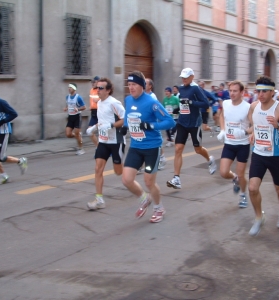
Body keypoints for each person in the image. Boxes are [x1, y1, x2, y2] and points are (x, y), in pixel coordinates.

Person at [121, 71, 175, 223]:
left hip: (152, 148)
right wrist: (125, 127)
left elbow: (170, 122)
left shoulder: (152, 103)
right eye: (129, 84)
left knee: (149, 182)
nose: (131, 88)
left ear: (142, 86)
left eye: (134, 85)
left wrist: (150, 125)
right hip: (136, 146)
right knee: (126, 179)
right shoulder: (128, 100)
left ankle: (159, 208)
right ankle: (144, 198)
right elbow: (128, 115)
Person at [247, 76, 279, 236]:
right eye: (258, 91)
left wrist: (278, 125)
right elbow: (253, 122)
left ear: (272, 92)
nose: (260, 94)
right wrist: (253, 132)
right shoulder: (254, 106)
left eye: (264, 91)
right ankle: (258, 217)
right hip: (258, 154)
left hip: (275, 155)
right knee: (252, 188)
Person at [166, 68, 216, 190]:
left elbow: (205, 104)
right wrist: (177, 110)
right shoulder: (181, 88)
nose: (184, 79)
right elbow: (183, 104)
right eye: (182, 77)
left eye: (186, 77)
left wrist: (192, 102)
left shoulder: (196, 88)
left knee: (197, 149)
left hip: (194, 124)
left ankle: (210, 159)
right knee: (178, 149)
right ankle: (176, 178)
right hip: (182, 122)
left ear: (192, 76)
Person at [86, 78, 126, 210]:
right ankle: (99, 199)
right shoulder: (99, 103)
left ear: (108, 90)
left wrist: (111, 125)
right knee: (98, 169)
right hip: (103, 141)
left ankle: (131, 169)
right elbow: (103, 121)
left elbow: (124, 120)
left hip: (116, 141)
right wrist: (94, 127)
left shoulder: (114, 103)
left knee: (118, 172)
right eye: (97, 88)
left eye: (101, 88)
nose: (98, 90)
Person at [0, 85, 28, 184]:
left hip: (4, 133)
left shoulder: (1, 102)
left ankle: (21, 161)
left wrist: (0, 123)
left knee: (1, 157)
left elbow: (13, 114)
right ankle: (4, 176)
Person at [217, 80, 251, 208]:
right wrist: (222, 130)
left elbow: (255, 126)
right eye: (230, 91)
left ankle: (243, 195)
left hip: (243, 145)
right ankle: (234, 178)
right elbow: (221, 116)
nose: (232, 93)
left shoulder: (248, 107)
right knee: (224, 172)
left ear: (242, 92)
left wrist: (244, 132)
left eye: (235, 91)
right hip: (229, 143)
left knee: (242, 174)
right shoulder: (225, 103)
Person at [64, 83, 86, 155]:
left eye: (70, 87)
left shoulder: (78, 97)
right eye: (68, 87)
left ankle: (81, 149)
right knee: (68, 134)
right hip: (70, 117)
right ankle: (78, 136)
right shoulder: (67, 97)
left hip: (77, 117)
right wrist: (66, 108)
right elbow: (68, 104)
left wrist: (78, 109)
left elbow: (84, 107)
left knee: (77, 134)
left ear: (74, 89)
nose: (69, 89)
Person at [87, 76, 101, 147]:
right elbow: (92, 100)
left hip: (100, 112)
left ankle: (108, 150)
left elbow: (106, 99)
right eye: (91, 82)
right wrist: (91, 106)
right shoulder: (91, 90)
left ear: (98, 82)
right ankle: (98, 147)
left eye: (94, 82)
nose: (92, 83)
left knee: (103, 133)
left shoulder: (100, 90)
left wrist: (98, 100)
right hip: (93, 113)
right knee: (89, 131)